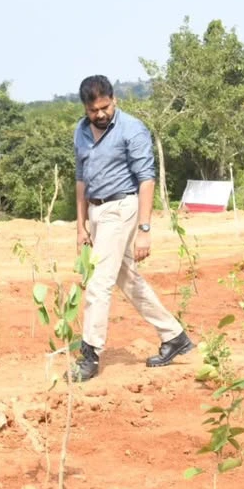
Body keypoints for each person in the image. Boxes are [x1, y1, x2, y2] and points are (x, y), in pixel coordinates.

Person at [70, 74, 194, 381]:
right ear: (85, 109)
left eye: (104, 107)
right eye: (93, 110)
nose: (100, 114)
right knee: (127, 279)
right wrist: (80, 224)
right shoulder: (81, 133)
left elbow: (146, 180)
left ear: (114, 100)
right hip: (97, 211)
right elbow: (81, 179)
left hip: (122, 208)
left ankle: (90, 355)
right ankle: (174, 336)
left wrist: (145, 229)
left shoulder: (132, 129)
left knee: (99, 283)